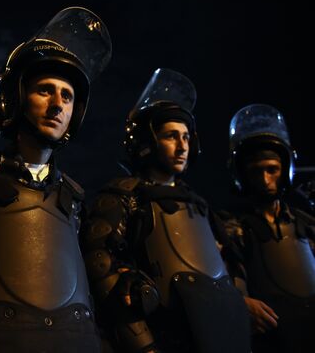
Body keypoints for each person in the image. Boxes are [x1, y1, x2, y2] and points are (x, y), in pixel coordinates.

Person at [0, 7, 112, 353]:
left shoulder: (73, 199)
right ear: (16, 97)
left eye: (67, 96)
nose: (57, 105)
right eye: (45, 90)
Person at [81, 68, 251, 353]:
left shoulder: (199, 204)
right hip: (162, 336)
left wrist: (240, 313)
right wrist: (144, 345)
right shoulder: (123, 196)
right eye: (171, 136)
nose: (182, 146)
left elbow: (232, 266)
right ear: (148, 143)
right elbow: (101, 270)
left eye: (186, 137)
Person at [221, 103, 315, 353]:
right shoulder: (232, 228)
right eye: (256, 171)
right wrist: (241, 304)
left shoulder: (306, 224)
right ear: (242, 175)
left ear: (285, 170)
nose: (265, 180)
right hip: (269, 342)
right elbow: (228, 281)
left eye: (272, 170)